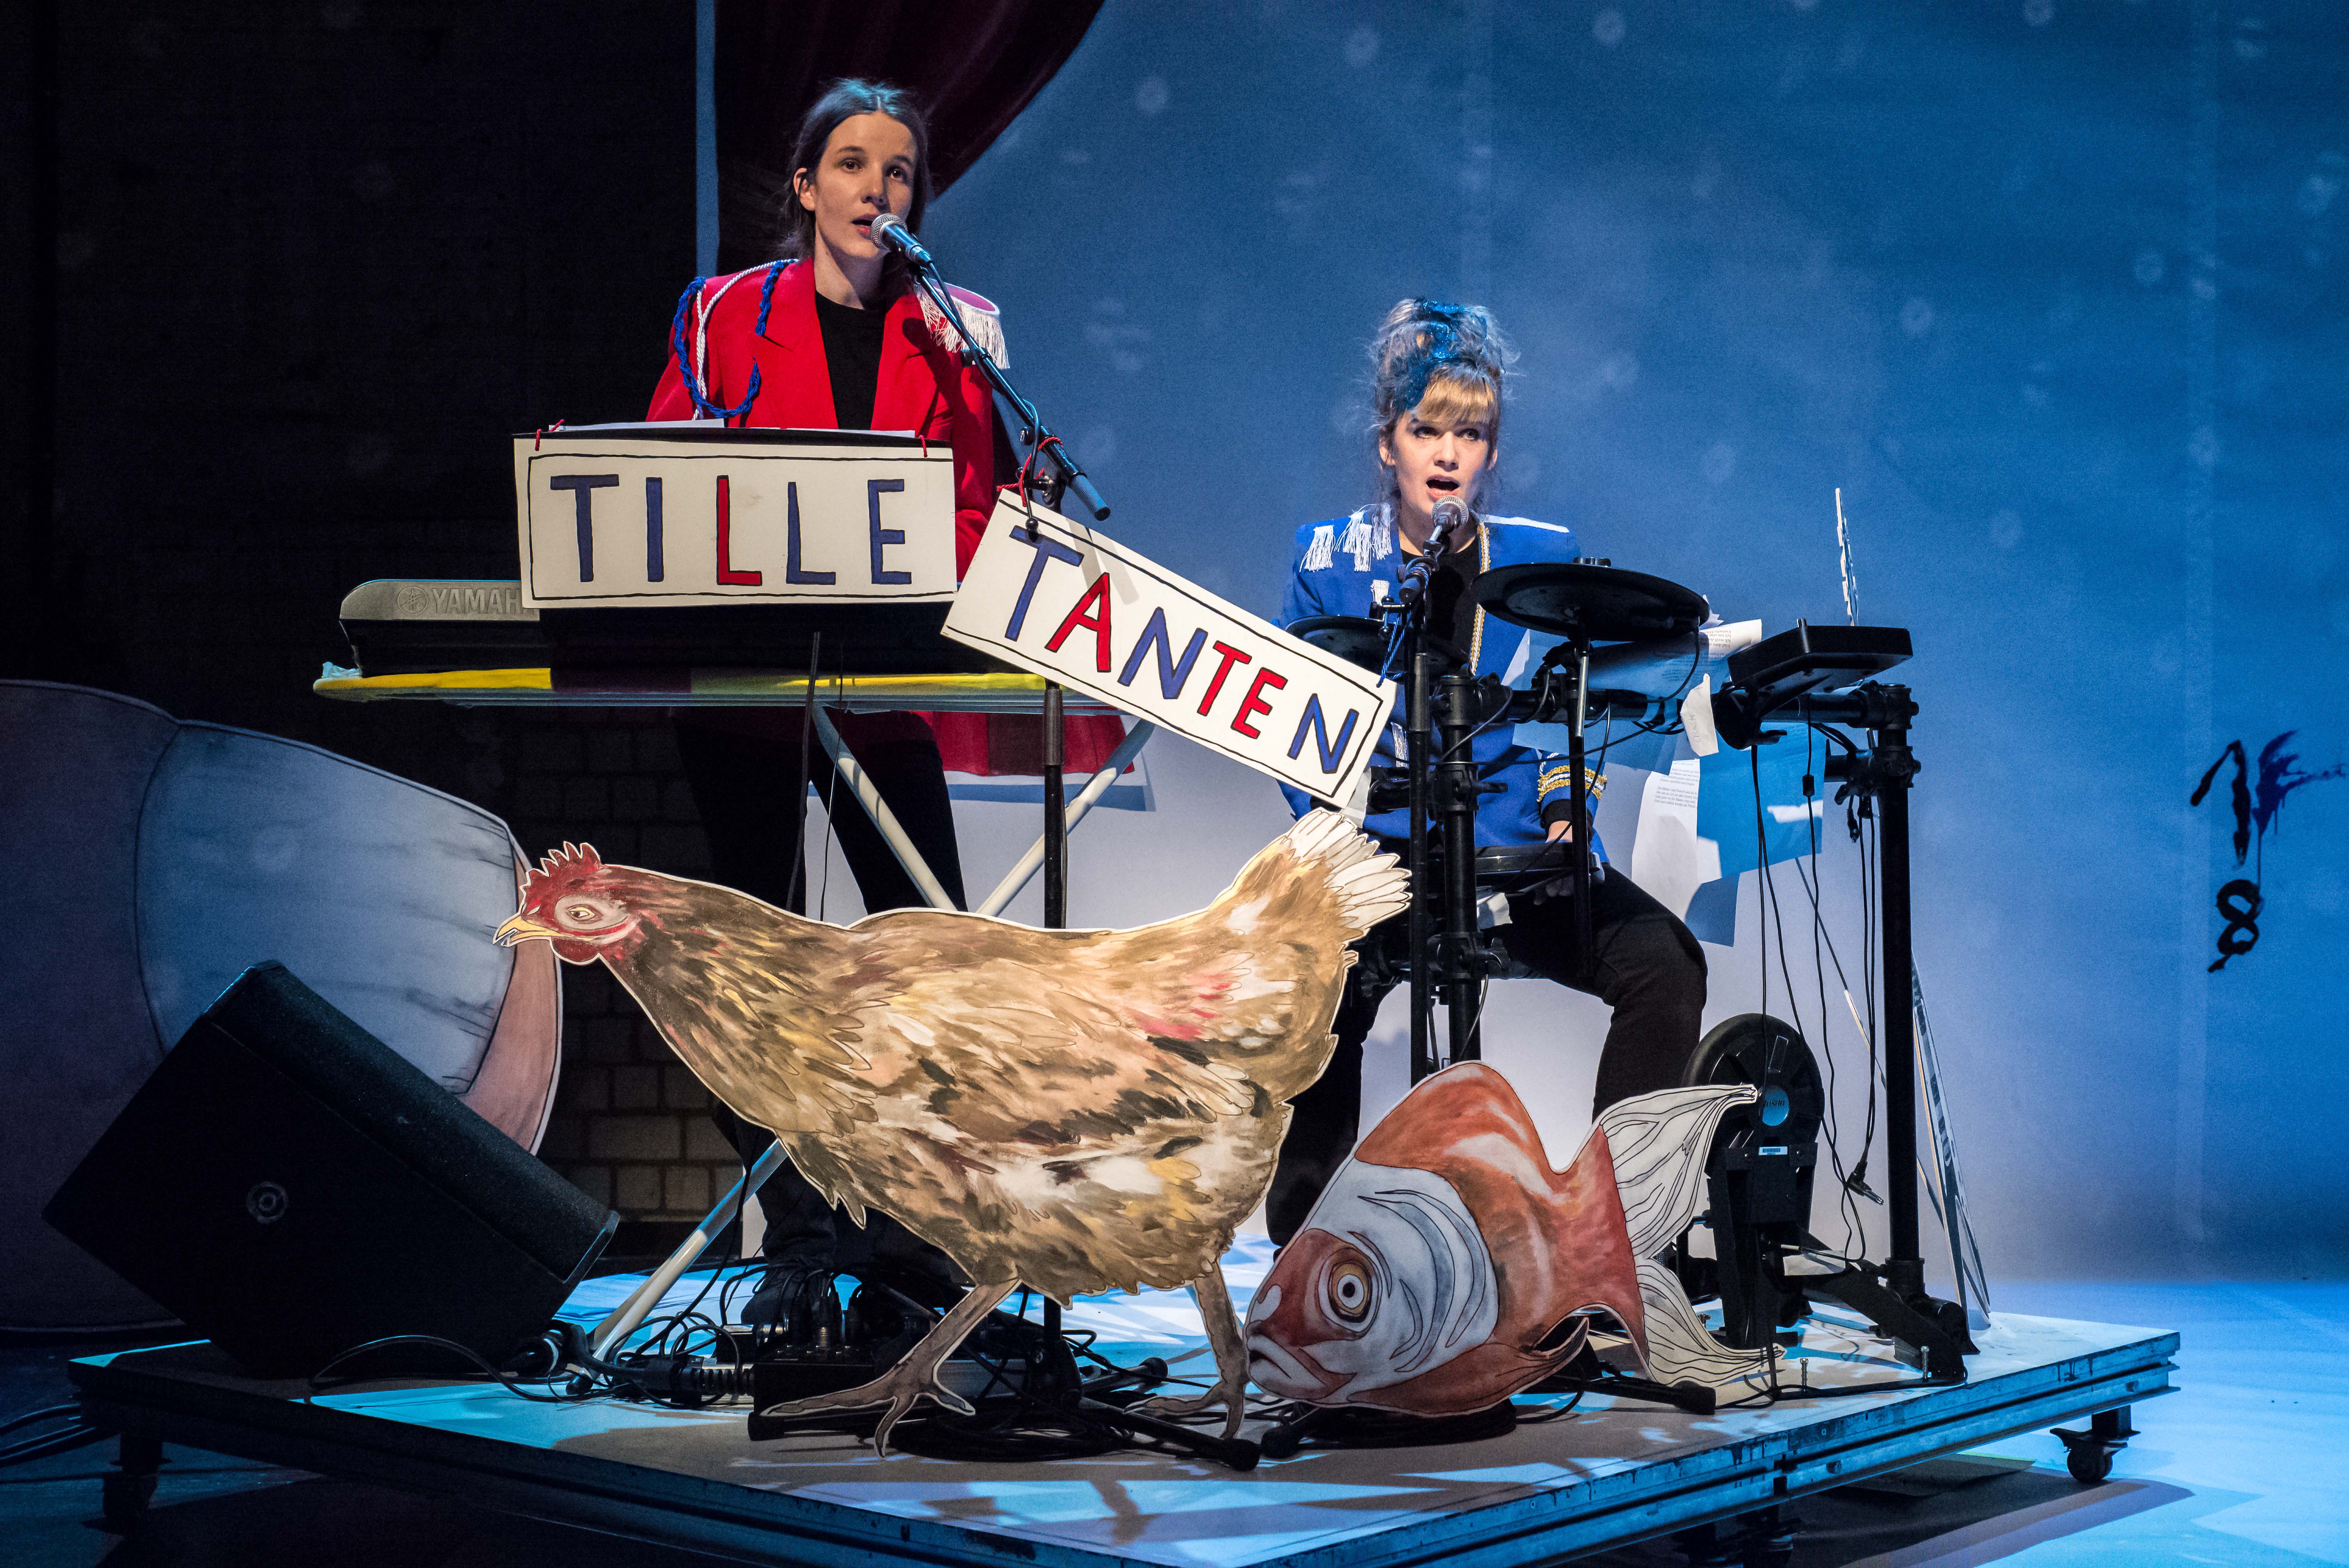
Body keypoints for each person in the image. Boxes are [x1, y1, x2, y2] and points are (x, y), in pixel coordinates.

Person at [643, 78, 1118, 1321]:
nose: (877, 189)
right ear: (807, 186)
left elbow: (978, 507)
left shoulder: (952, 331)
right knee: (759, 972)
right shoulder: (728, 312)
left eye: (899, 171)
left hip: (884, 681)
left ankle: (912, 1237)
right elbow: (669, 476)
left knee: (932, 952)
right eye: (853, 164)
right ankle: (796, 1242)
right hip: (750, 683)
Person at [1265, 299, 1710, 1244]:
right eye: (1425, 429)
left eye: (1468, 434)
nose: (1446, 453)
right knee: (1315, 989)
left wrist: (1564, 811)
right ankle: (1306, 1262)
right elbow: (1291, 727)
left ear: (1491, 451)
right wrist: (1336, 842)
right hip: (1375, 855)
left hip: (1509, 850)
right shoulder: (1325, 558)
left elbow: (1568, 712)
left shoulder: (1541, 559)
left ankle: (1608, 1239)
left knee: (1664, 965)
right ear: (1386, 442)